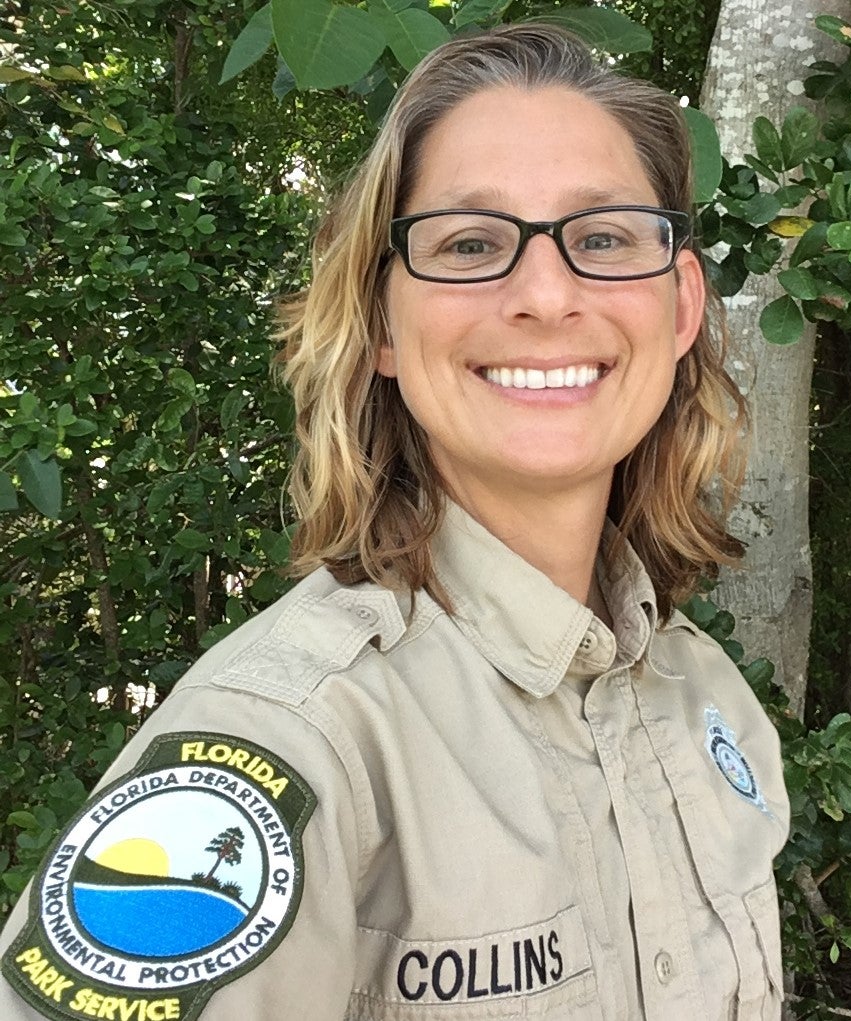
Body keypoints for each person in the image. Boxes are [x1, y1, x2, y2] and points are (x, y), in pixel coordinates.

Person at [0, 23, 790, 1021]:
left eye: (601, 238)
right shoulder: (288, 739)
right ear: (380, 320)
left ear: (677, 307)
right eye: (468, 244)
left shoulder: (703, 696)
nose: (545, 294)